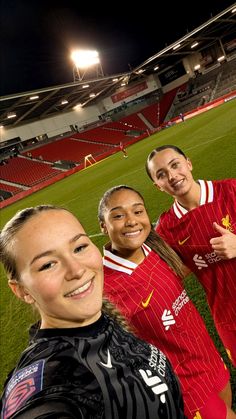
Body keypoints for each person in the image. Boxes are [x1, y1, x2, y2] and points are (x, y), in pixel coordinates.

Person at [0, 205, 185, 419]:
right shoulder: (51, 383)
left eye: (79, 248)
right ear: (22, 290)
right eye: (48, 264)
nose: (76, 270)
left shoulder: (101, 323)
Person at [98, 185, 236, 419]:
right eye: (119, 215)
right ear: (104, 225)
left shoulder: (159, 250)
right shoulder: (103, 287)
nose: (131, 221)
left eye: (138, 211)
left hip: (210, 360)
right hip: (182, 386)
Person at [146, 144, 236, 367]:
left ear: (189, 163)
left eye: (175, 165)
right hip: (229, 319)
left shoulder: (232, 190)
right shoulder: (167, 229)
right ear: (158, 186)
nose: (172, 176)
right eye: (161, 175)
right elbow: (158, 276)